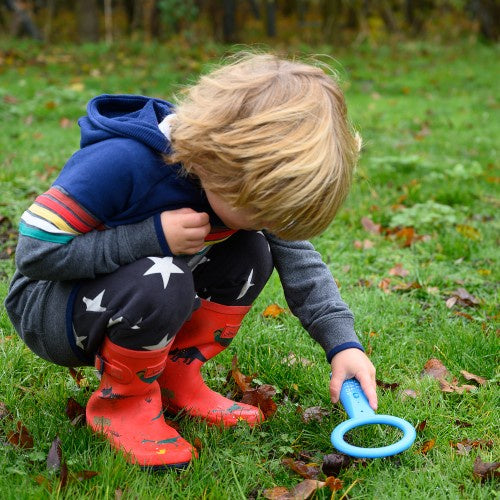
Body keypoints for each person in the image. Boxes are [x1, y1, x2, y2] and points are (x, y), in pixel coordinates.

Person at [5, 53, 377, 470]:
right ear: (216, 165)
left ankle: (173, 375)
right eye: (263, 212)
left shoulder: (238, 178)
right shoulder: (120, 162)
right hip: (52, 309)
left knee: (252, 249)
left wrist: (343, 345)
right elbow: (35, 255)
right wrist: (151, 237)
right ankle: (123, 405)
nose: (269, 223)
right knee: (165, 278)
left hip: (131, 292)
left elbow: (300, 260)